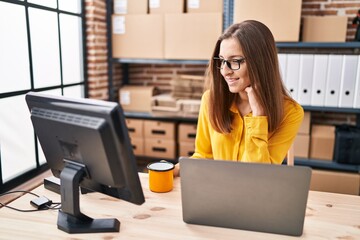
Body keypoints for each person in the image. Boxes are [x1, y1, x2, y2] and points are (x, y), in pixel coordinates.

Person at [173, 20, 304, 177]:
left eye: (235, 61)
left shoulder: (291, 112)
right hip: (217, 190)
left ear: (260, 63)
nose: (225, 71)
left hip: (255, 196)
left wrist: (259, 116)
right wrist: (176, 169)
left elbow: (258, 175)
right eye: (222, 60)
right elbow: (204, 156)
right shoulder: (210, 100)